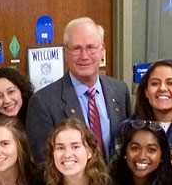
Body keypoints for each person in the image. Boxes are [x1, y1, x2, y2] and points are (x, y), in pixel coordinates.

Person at [25, 17, 132, 163]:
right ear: (65, 53)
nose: (84, 56)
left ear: (102, 50)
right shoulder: (43, 102)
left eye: (90, 47)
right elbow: (44, 163)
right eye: (76, 49)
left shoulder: (119, 90)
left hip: (118, 184)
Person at [132, 59, 172, 161]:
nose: (162, 88)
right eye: (155, 83)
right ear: (146, 91)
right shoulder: (128, 129)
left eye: (171, 83)